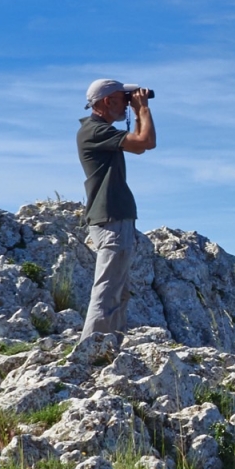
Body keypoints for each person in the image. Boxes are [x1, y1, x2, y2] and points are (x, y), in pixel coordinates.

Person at [77, 78, 156, 341]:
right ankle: (91, 350)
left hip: (114, 217)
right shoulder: (95, 130)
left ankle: (111, 347)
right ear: (107, 101)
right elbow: (147, 142)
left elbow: (140, 147)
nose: (127, 103)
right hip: (111, 216)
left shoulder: (99, 130)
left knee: (118, 291)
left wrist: (136, 112)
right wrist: (141, 109)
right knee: (107, 290)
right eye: (124, 98)